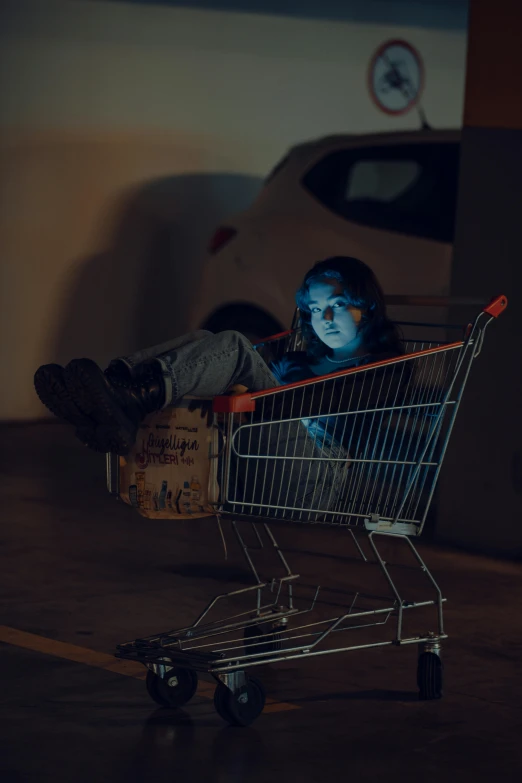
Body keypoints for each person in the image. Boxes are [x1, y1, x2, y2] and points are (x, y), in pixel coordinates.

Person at [34, 256, 403, 456]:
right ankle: (117, 386)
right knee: (206, 339)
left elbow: (312, 404)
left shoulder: (387, 367)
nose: (324, 318)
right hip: (259, 447)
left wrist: (262, 389)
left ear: (365, 305)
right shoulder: (302, 357)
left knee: (234, 346)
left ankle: (129, 401)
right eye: (316, 307)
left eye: (338, 304)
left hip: (321, 466)